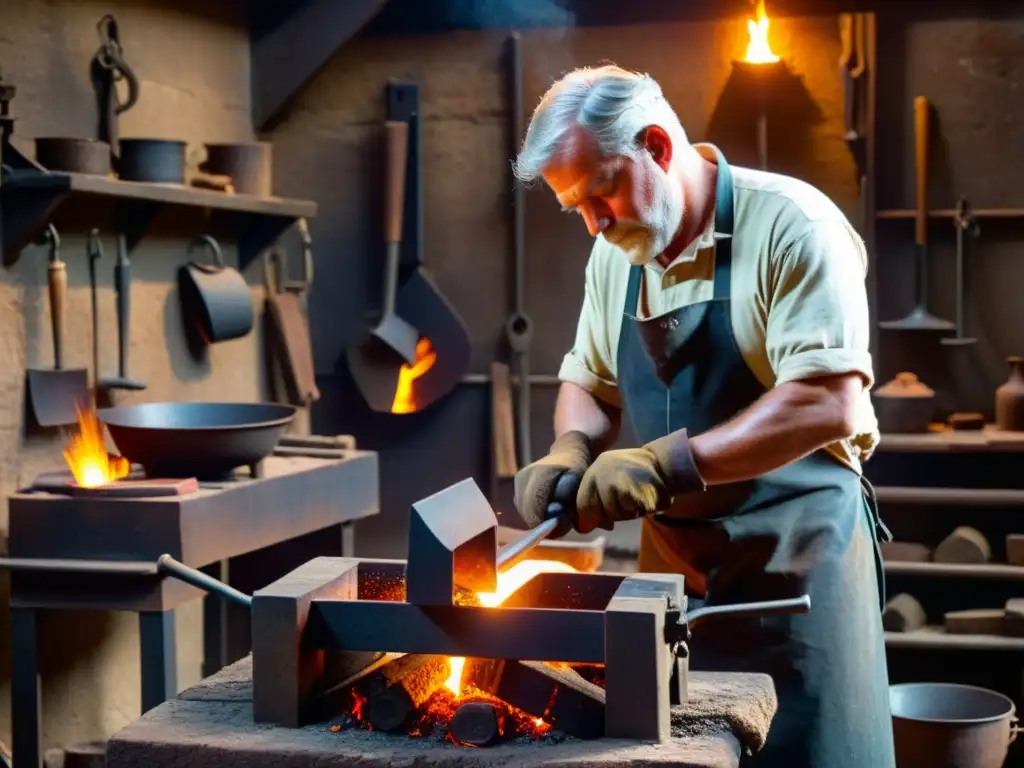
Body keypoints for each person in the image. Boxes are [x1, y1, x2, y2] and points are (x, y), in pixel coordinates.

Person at [511, 65, 896, 767]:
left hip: (794, 570)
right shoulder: (616, 252)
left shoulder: (794, 225)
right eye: (578, 210)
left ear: (657, 145)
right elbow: (590, 381)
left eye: (601, 193)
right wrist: (570, 446)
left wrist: (665, 464)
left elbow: (827, 400)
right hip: (676, 580)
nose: (595, 224)